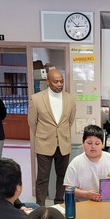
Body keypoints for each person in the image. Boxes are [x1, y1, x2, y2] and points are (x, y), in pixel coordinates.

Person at [28, 69, 77, 205]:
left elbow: (70, 121)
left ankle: (59, 203)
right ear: (47, 82)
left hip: (63, 143)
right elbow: (32, 122)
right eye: (55, 82)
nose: (59, 84)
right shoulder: (36, 99)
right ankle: (40, 206)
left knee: (63, 177)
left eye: (61, 81)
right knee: (43, 178)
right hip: (44, 143)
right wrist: (43, 134)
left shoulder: (70, 99)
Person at [64, 124, 110, 201]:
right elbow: (69, 188)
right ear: (83, 143)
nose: (93, 146)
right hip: (84, 203)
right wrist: (86, 194)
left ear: (102, 144)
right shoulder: (76, 162)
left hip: (108, 201)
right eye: (89, 143)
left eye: (97, 143)